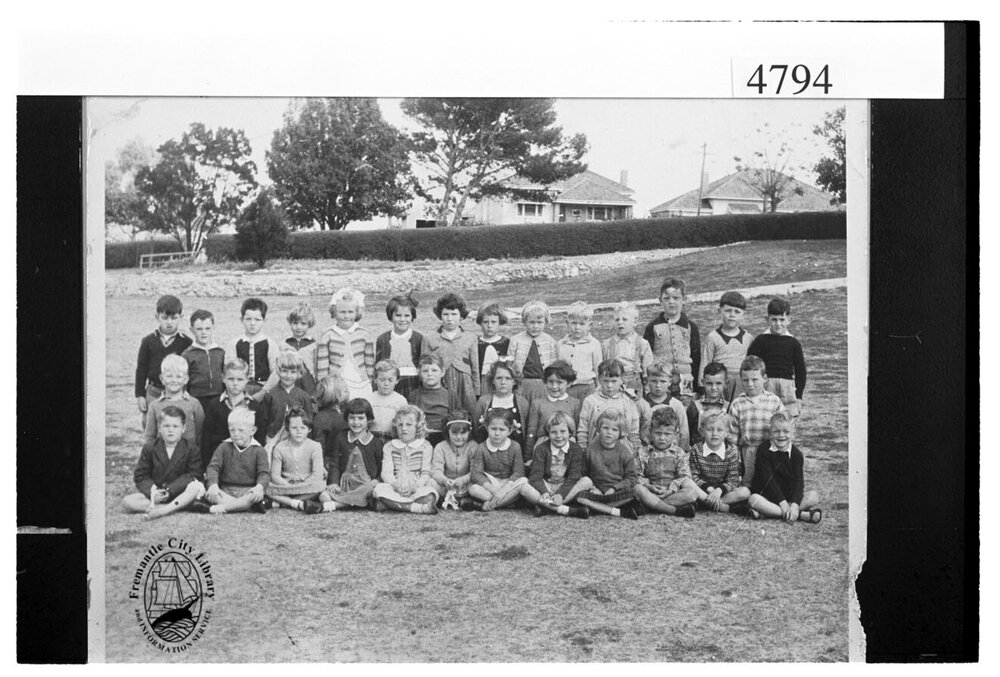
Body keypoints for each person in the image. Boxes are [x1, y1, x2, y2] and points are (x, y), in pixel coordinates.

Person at [121, 406, 204, 520]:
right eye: (166, 426)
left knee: (195, 488)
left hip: (180, 492)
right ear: (159, 428)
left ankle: (164, 510)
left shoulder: (191, 449)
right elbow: (141, 476)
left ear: (183, 428)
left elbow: (194, 474)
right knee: (128, 502)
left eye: (175, 426)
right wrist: (153, 491)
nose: (171, 430)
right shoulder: (150, 448)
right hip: (158, 494)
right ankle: (174, 506)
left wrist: (170, 490)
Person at [748, 412, 822, 523]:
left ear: (793, 434)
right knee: (753, 499)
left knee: (813, 496)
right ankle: (800, 515)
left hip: (788, 497)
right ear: (770, 433)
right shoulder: (763, 450)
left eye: (786, 431)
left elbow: (799, 481)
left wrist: (795, 505)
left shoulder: (796, 455)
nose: (781, 435)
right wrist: (782, 503)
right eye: (776, 431)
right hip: (767, 496)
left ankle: (775, 513)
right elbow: (768, 480)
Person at [727, 356, 786, 488]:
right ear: (740, 380)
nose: (750, 384)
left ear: (764, 379)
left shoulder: (774, 401)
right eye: (745, 380)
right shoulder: (737, 403)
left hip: (770, 450)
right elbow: (732, 435)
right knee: (749, 482)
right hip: (748, 451)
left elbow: (783, 424)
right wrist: (738, 447)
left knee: (770, 481)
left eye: (754, 380)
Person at [200, 358, 266, 471]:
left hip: (247, 463)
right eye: (231, 379)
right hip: (220, 463)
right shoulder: (214, 405)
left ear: (247, 380)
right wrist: (208, 467)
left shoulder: (254, 406)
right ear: (223, 378)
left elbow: (260, 438)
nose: (235, 383)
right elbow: (207, 440)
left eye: (240, 379)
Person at [134, 294, 193, 422]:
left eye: (174, 318)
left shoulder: (186, 342)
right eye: (165, 318)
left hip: (177, 392)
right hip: (153, 392)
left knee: (174, 423)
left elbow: (189, 371)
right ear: (157, 317)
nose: (169, 322)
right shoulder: (148, 341)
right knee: (150, 424)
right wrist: (140, 395)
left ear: (181, 317)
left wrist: (186, 392)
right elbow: (141, 369)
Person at [522, 411, 592, 518]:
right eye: (554, 432)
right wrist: (544, 492)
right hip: (546, 485)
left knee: (587, 481)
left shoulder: (575, 449)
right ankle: (567, 510)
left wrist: (560, 494)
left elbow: (574, 476)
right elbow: (535, 476)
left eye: (563, 431)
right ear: (548, 433)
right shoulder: (541, 449)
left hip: (565, 486)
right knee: (523, 487)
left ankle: (545, 507)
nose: (558, 436)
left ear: (569, 432)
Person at [372, 405, 439, 514]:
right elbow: (386, 473)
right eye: (400, 425)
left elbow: (426, 472)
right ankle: (416, 508)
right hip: (395, 487)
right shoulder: (389, 446)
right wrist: (395, 485)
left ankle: (391, 505)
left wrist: (416, 486)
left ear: (418, 426)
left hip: (417, 488)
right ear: (395, 427)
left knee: (430, 493)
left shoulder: (425, 446)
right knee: (379, 489)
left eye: (409, 425)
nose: (404, 428)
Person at [643, 277, 701, 403]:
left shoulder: (691, 327)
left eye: (676, 298)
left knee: (685, 411)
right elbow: (647, 357)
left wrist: (697, 387)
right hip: (662, 381)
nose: (671, 302)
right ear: (660, 301)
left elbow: (696, 359)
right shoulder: (652, 327)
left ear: (684, 300)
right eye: (667, 298)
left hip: (686, 380)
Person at [202, 407, 270, 514]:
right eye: (232, 430)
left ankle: (224, 508)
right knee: (213, 494)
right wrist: (213, 485)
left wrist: (259, 486)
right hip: (225, 490)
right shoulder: (223, 447)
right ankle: (242, 506)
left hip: (247, 491)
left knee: (252, 496)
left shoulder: (259, 450)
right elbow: (213, 467)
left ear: (253, 430)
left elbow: (264, 473)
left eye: (241, 430)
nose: (236, 434)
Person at [747, 297, 807, 418]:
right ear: (767, 319)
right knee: (764, 416)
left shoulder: (793, 343)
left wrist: (799, 397)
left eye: (782, 319)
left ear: (789, 320)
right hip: (766, 386)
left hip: (787, 388)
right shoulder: (760, 340)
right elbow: (750, 365)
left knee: (786, 420)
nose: (778, 323)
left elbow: (801, 371)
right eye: (774, 319)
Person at [319, 398, 382, 512]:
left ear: (369, 420)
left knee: (372, 490)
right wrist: (334, 482)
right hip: (345, 485)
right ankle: (355, 502)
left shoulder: (376, 443)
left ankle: (336, 505)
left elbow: (380, 468)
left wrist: (377, 480)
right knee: (323, 495)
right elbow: (335, 463)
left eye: (361, 418)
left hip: (364, 485)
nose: (356, 422)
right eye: (352, 418)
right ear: (346, 419)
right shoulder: (341, 438)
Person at [633, 407, 698, 518]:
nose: (662, 438)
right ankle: (673, 510)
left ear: (675, 434)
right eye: (658, 433)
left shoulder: (679, 453)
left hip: (671, 493)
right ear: (650, 432)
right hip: (651, 491)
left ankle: (651, 506)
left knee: (692, 493)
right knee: (637, 489)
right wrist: (649, 486)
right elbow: (636, 475)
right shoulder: (643, 452)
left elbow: (684, 476)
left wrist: (671, 490)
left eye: (667, 434)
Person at [575, 410, 640, 519]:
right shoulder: (590, 450)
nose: (609, 432)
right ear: (599, 430)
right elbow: (583, 474)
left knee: (635, 493)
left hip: (616, 493)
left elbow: (632, 478)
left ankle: (595, 508)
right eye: (605, 428)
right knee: (579, 496)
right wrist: (593, 488)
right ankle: (619, 512)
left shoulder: (624, 452)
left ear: (620, 433)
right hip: (596, 493)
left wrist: (614, 489)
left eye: (614, 429)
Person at [424, 292, 480, 415]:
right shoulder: (430, 338)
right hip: (442, 382)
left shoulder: (470, 338)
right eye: (446, 314)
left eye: (454, 314)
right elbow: (424, 367)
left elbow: (475, 368)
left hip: (465, 385)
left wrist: (477, 392)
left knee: (468, 414)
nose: (449, 319)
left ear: (461, 316)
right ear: (440, 315)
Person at [316, 287, 376, 399]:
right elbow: (322, 365)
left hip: (360, 381)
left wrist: (370, 379)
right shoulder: (328, 335)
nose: (346, 316)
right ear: (335, 312)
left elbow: (369, 361)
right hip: (336, 383)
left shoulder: (364, 334)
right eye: (342, 312)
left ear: (356, 312)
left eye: (350, 312)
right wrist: (323, 385)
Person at [142, 354, 205, 460]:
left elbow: (200, 434)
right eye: (169, 376)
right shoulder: (155, 406)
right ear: (162, 378)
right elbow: (150, 436)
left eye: (179, 376)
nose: (174, 380)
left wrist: (199, 458)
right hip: (162, 457)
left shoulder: (194, 404)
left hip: (189, 458)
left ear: (186, 379)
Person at [467, 408, 529, 511]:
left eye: (501, 429)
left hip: (508, 483)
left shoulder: (515, 446)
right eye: (493, 429)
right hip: (490, 484)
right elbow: (476, 473)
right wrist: (492, 488)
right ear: (487, 428)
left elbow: (518, 472)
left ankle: (492, 505)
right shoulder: (481, 447)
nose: (497, 433)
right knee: (473, 489)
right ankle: (507, 502)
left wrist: (505, 489)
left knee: (524, 482)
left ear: (510, 430)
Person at [266, 408, 325, 513]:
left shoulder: (315, 446)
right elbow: (275, 475)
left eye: (303, 428)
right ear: (288, 428)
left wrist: (303, 484)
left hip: (307, 487)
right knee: (267, 487)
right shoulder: (280, 447)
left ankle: (283, 503)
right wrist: (287, 485)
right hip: (286, 486)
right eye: (294, 428)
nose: (299, 432)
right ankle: (297, 503)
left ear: (309, 429)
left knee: (320, 485)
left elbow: (317, 474)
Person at [689, 412, 750, 513]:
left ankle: (706, 504)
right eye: (710, 429)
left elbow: (733, 479)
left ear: (727, 433)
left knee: (745, 491)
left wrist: (718, 491)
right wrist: (710, 490)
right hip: (703, 490)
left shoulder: (731, 452)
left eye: (720, 430)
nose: (714, 434)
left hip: (722, 492)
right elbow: (694, 476)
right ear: (702, 431)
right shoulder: (696, 450)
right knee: (688, 483)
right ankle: (723, 507)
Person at [577, 359, 641, 451]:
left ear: (622, 379)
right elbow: (583, 430)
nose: (609, 385)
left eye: (614, 381)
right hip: (597, 451)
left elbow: (634, 429)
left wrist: (634, 450)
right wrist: (583, 450)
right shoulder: (590, 401)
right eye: (605, 381)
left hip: (622, 451)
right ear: (599, 379)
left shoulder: (628, 401)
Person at [259, 350, 314, 456]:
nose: (288, 376)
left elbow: (308, 421)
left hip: (297, 437)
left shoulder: (303, 396)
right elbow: (263, 421)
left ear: (299, 373)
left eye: (293, 372)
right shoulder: (270, 395)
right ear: (278, 371)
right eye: (284, 371)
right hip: (274, 437)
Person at [701, 291, 754, 402]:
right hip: (718, 383)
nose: (732, 315)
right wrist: (702, 389)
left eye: (737, 312)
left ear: (743, 313)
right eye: (728, 310)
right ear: (719, 311)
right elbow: (705, 364)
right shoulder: (712, 337)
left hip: (740, 383)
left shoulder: (748, 338)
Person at [374, 293, 428, 399]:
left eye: (407, 315)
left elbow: (423, 363)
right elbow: (378, 365)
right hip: (389, 382)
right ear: (391, 317)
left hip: (413, 382)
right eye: (398, 315)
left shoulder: (419, 338)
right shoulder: (383, 339)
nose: (402, 319)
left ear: (412, 317)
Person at [227, 297, 282, 401]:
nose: (252, 323)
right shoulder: (234, 343)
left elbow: (275, 372)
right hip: (240, 389)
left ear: (264, 320)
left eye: (257, 319)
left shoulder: (270, 344)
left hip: (264, 388)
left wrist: (263, 392)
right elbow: (230, 371)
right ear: (241, 319)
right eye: (248, 319)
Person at [472, 360, 528, 455]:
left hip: (515, 455)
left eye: (508, 378)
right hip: (488, 454)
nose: (503, 382)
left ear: (514, 381)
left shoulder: (522, 403)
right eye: (499, 378)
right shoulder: (483, 401)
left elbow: (525, 431)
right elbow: (476, 430)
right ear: (493, 380)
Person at [524, 360, 582, 453]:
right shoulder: (538, 403)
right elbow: (531, 432)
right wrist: (528, 456)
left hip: (567, 445)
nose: (554, 386)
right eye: (550, 382)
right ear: (545, 382)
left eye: (559, 382)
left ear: (569, 383)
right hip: (543, 447)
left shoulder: (575, 403)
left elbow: (577, 432)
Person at [509, 300, 558, 407]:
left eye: (539, 322)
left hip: (543, 384)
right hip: (522, 383)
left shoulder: (550, 341)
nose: (535, 326)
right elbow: (510, 365)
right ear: (524, 322)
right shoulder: (516, 340)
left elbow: (554, 365)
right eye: (531, 322)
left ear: (546, 322)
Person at [601, 301, 654, 397]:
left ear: (635, 322)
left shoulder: (642, 343)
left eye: (624, 319)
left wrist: (648, 393)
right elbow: (602, 370)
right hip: (613, 385)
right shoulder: (607, 345)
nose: (620, 322)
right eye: (617, 320)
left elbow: (648, 372)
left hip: (634, 386)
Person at [407, 354, 457, 448]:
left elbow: (455, 422)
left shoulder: (451, 395)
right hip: (420, 439)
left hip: (444, 440)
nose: (429, 374)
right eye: (425, 371)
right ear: (419, 373)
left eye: (434, 370)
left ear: (442, 372)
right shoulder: (414, 396)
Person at [638, 360, 690, 450]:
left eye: (663, 381)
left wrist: (681, 453)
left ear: (670, 382)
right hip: (647, 452)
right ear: (647, 381)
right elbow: (634, 431)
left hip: (672, 452)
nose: (658, 385)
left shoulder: (677, 405)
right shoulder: (640, 405)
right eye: (654, 381)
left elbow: (684, 432)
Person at [556, 301, 603, 402]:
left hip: (587, 388)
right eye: (574, 323)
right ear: (567, 323)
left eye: (582, 324)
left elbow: (598, 369)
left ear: (589, 325)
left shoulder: (594, 344)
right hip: (567, 388)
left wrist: (599, 390)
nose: (577, 327)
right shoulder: (561, 344)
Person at [182, 308, 226, 414]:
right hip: (196, 397)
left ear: (213, 328)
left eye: (207, 328)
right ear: (191, 330)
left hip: (218, 396)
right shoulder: (187, 354)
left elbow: (225, 374)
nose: (204, 333)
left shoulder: (220, 352)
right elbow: (183, 378)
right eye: (199, 329)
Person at [430, 410, 477, 510]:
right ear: (448, 432)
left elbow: (476, 470)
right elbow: (436, 471)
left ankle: (464, 500)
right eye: (454, 433)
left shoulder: (473, 446)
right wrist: (445, 480)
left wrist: (464, 479)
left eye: (463, 433)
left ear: (469, 432)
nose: (458, 437)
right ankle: (447, 499)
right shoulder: (441, 447)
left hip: (466, 485)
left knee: (477, 485)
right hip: (447, 486)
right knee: (430, 482)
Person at [687, 362, 730, 447]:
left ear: (726, 383)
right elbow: (688, 433)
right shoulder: (694, 407)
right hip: (698, 455)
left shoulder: (728, 407)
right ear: (703, 382)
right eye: (709, 383)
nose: (714, 388)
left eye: (718, 383)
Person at [310, 374, 350, 467]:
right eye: (344, 390)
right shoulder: (322, 418)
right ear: (333, 394)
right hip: (330, 462)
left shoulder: (345, 411)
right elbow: (319, 446)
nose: (347, 391)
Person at [366, 360, 409, 441]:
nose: (386, 384)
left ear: (397, 380)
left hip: (392, 437)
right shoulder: (369, 399)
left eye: (390, 380)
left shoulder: (400, 400)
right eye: (382, 380)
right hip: (372, 437)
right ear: (375, 379)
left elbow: (404, 421)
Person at [476, 302, 510, 398]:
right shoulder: (474, 343)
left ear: (500, 322)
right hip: (480, 384)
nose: (489, 326)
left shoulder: (506, 343)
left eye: (493, 322)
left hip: (500, 384)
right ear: (480, 323)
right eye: (486, 322)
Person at [284, 301, 318, 395]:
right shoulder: (285, 344)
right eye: (295, 323)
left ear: (309, 324)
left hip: (309, 385)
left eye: (303, 324)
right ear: (290, 323)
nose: (298, 327)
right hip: (290, 383)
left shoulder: (313, 344)